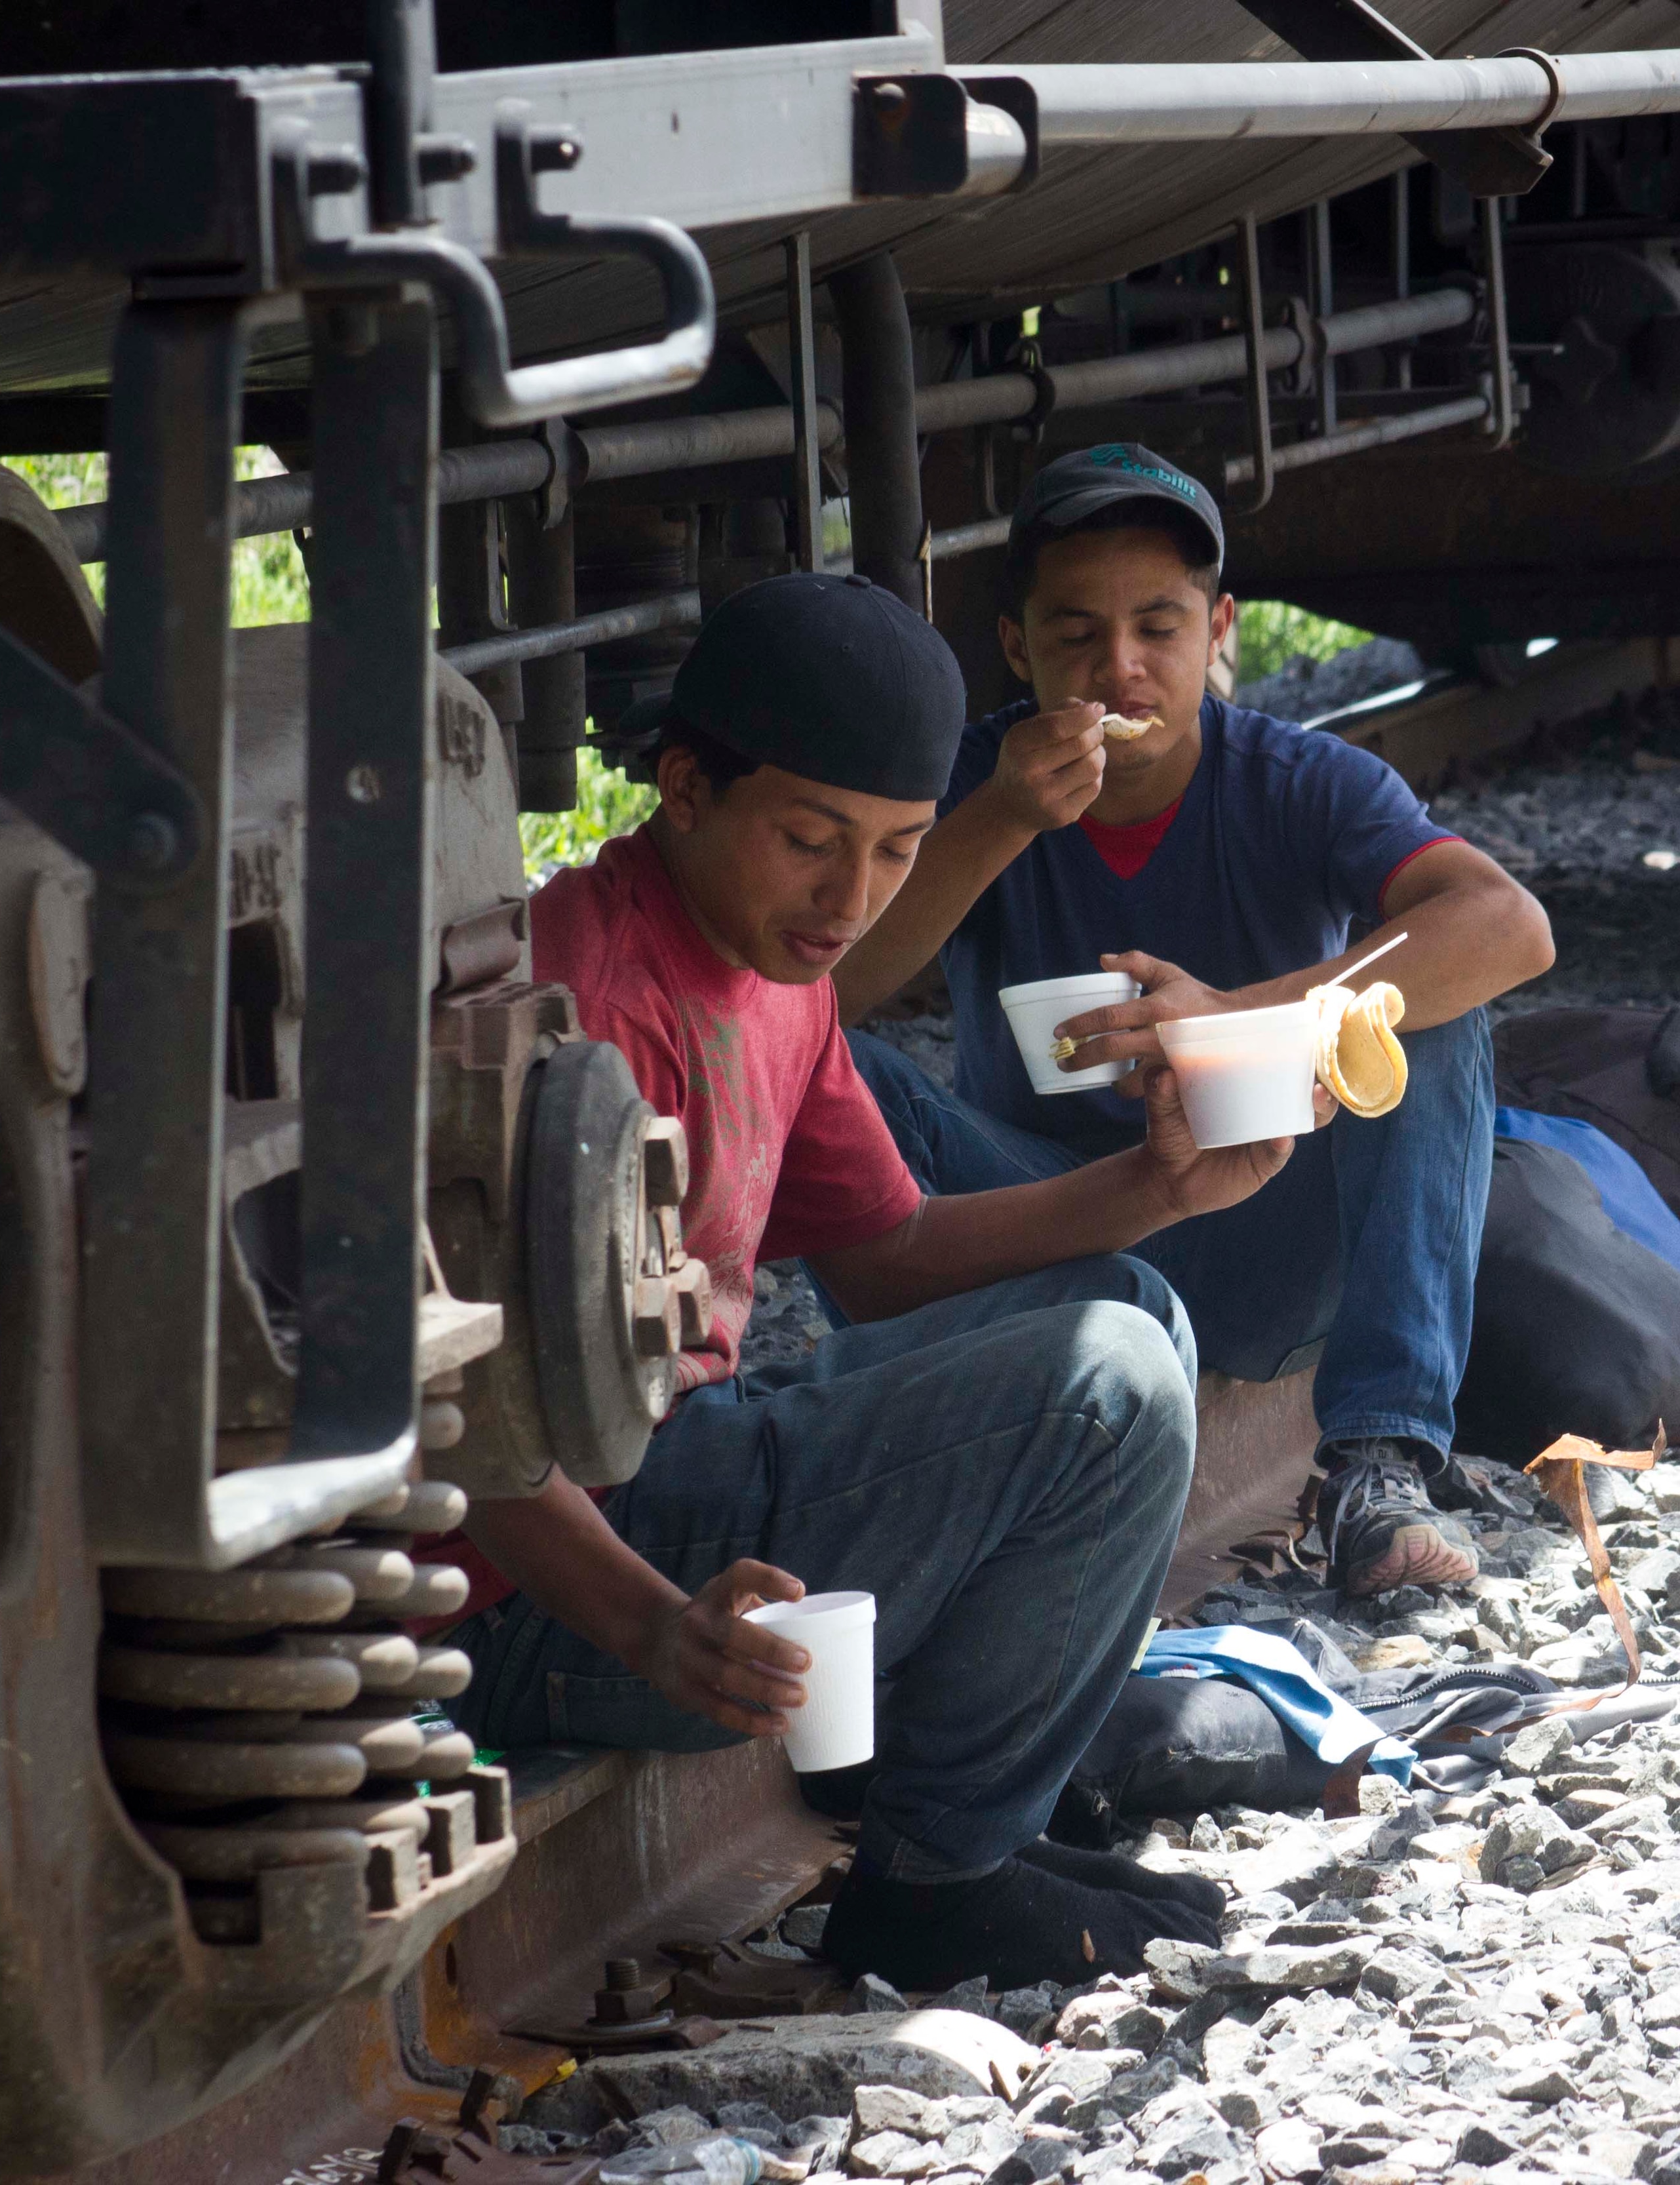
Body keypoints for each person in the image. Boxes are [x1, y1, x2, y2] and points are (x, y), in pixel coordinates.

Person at [434, 572, 1309, 1991]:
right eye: (810, 840)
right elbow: (461, 1415)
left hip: (666, 1497)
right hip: (537, 1598)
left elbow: (886, 1253)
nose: (852, 899)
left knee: (1133, 1308)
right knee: (1113, 1382)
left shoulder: (767, 962)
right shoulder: (582, 1007)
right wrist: (659, 1625)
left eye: (901, 852)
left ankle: (961, 1796)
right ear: (683, 787)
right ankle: (937, 1879)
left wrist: (1158, 1189)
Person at [832, 444, 1556, 1599]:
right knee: (838, 1068)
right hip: (1043, 1231)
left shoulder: (1297, 777)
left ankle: (1380, 1462)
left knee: (1416, 1016)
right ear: (1015, 648)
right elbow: (824, 992)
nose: (1119, 668)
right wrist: (1003, 818)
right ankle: (893, 1438)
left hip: (1263, 1223)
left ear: (1218, 630)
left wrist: (1228, 1020)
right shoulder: (972, 783)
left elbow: (1508, 925)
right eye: (1075, 634)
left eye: (1157, 628)